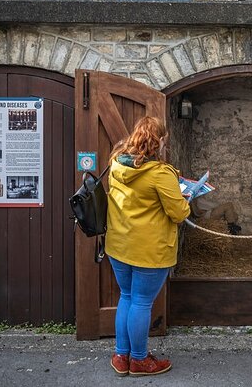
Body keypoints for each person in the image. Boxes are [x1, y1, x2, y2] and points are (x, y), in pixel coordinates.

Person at [105, 116, 190, 377]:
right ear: (160, 140)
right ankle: (140, 360)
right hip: (149, 250)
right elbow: (178, 213)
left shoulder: (117, 163)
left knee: (127, 297)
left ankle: (122, 356)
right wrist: (186, 199)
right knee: (141, 302)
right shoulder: (160, 173)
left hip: (119, 245)